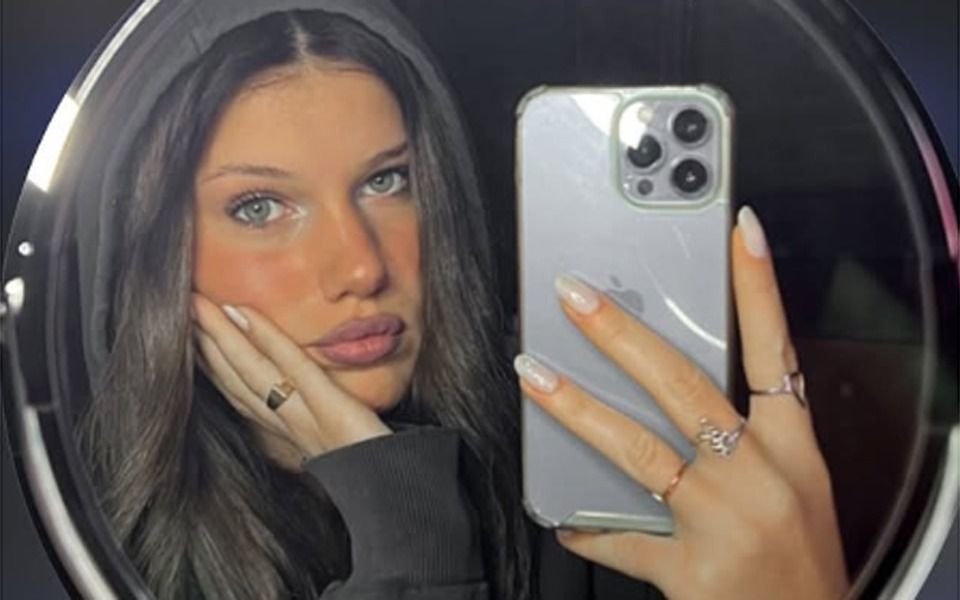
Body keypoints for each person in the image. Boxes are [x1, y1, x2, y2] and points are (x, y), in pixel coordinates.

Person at [74, 1, 850, 599]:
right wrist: (404, 521)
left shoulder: (573, 476)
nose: (360, 268)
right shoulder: (82, 535)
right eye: (258, 207)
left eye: (387, 181)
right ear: (157, 257)